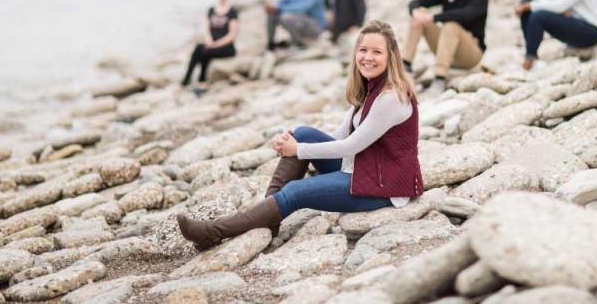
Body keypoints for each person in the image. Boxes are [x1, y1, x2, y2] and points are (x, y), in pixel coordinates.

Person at [177, 20, 424, 251]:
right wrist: (295, 140)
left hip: (382, 186)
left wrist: (299, 150)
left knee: (295, 191)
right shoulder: (369, 89)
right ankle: (268, 219)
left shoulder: (391, 98)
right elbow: (340, 135)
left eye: (377, 52)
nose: (368, 57)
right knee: (303, 133)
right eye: (363, 50)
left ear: (391, 57)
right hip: (364, 168)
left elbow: (350, 146)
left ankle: (213, 231)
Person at [402, 0, 489, 96]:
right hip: (447, 50)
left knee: (451, 25)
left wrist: (433, 17)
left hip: (471, 54)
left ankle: (440, 78)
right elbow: (417, 2)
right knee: (419, 14)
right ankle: (405, 64)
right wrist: (415, 12)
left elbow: (464, 14)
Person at [180, 0, 238, 90]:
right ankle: (196, 79)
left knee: (203, 51)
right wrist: (209, 40)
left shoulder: (232, 12)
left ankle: (192, 80)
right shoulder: (211, 10)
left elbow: (232, 35)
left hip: (226, 46)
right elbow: (206, 29)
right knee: (200, 48)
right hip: (212, 44)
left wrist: (217, 44)